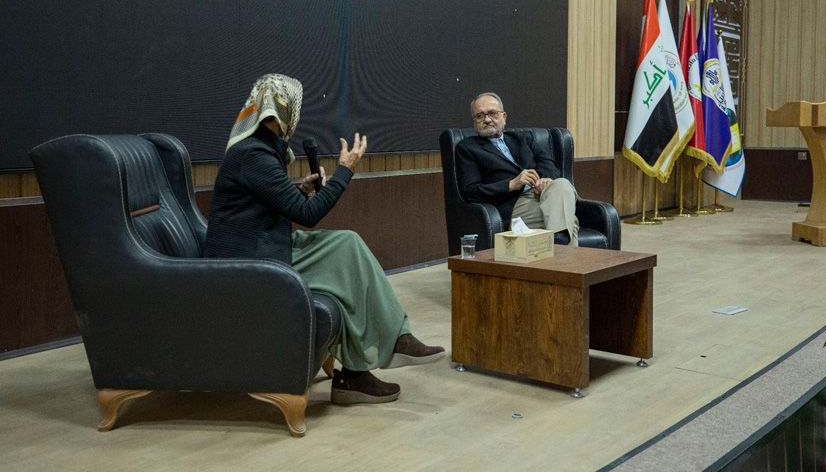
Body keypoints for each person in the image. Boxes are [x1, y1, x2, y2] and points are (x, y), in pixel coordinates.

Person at [203, 73, 444, 405]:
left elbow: (268, 204)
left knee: (348, 246)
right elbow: (308, 215)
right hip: (250, 259)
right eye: (297, 108)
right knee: (346, 256)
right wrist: (345, 170)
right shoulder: (254, 155)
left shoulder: (256, 149)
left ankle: (358, 373)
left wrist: (301, 190)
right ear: (284, 111)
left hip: (266, 244)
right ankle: (386, 347)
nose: (299, 116)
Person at [455, 92, 579, 246]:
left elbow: (548, 163)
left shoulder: (523, 138)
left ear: (504, 116)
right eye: (480, 116)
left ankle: (558, 244)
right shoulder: (467, 148)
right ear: (475, 122)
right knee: (569, 220)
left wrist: (542, 180)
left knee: (561, 184)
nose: (487, 119)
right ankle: (560, 246)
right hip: (513, 206)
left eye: (492, 113)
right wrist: (511, 184)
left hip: (544, 194)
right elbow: (471, 191)